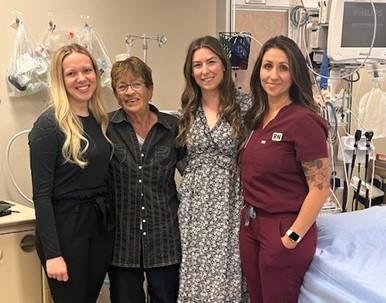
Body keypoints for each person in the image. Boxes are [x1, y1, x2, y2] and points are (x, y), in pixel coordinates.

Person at [239, 35, 330, 303]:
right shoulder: (257, 117)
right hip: (252, 224)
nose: (273, 75)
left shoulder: (303, 121)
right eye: (267, 66)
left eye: (283, 67)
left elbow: (320, 188)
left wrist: (291, 237)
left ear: (295, 74)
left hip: (284, 228)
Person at [28, 43, 114, 303]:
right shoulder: (48, 126)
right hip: (66, 228)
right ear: (60, 79)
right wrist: (53, 254)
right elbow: (41, 196)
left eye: (87, 70)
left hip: (98, 227)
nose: (81, 78)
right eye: (71, 73)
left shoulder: (99, 119)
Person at [176, 35, 250, 303]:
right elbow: (181, 157)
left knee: (226, 277)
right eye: (197, 65)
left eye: (211, 62)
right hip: (194, 208)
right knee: (194, 277)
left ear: (224, 65)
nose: (205, 71)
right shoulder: (187, 109)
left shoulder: (245, 106)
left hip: (231, 202)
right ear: (190, 71)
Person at [107, 56, 185, 303]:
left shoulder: (173, 127)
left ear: (150, 89)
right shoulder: (106, 127)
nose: (130, 92)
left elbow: (194, 174)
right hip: (122, 241)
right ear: (116, 93)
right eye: (122, 86)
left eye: (137, 84)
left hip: (165, 238)